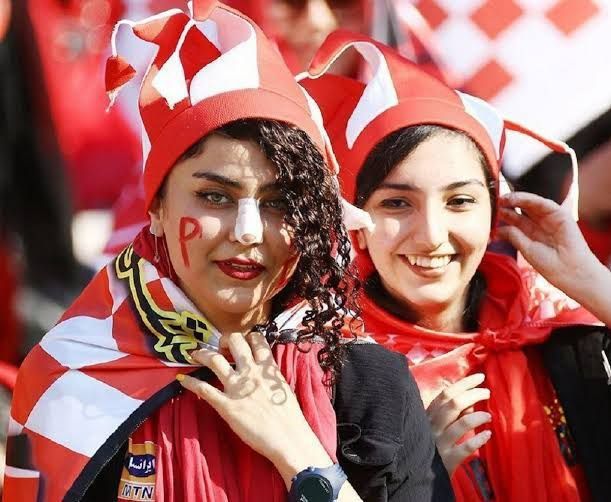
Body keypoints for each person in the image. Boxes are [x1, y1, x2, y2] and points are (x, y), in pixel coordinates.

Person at [4, 4, 453, 501]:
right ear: (156, 209)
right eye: (215, 197)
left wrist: (302, 458)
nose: (247, 232)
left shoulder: (372, 385)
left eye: (280, 202)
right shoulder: (71, 377)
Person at [303, 30, 611, 502]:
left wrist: (589, 281)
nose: (431, 234)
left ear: (495, 212)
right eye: (397, 203)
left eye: (460, 201)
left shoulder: (562, 327)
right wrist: (415, 473)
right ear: (356, 223)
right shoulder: (326, 367)